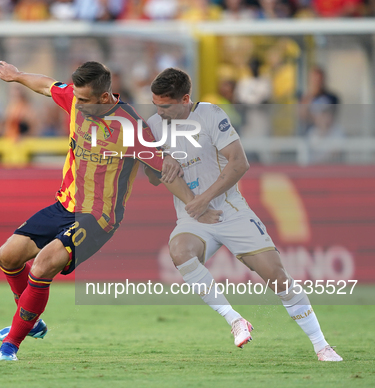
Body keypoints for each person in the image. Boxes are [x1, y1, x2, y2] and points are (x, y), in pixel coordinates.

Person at [0, 60, 221, 361]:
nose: (78, 103)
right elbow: (47, 85)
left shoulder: (131, 127)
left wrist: (196, 204)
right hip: (65, 205)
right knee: (7, 256)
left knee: (43, 265)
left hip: (99, 217)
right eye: (77, 97)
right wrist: (18, 76)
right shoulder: (76, 99)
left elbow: (166, 171)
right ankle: (31, 320)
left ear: (104, 97)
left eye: (84, 100)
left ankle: (10, 346)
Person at [145, 68, 342, 362]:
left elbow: (239, 163)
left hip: (230, 211)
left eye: (166, 105)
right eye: (155, 104)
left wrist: (205, 200)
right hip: (193, 216)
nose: (159, 112)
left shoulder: (211, 115)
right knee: (180, 251)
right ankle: (235, 320)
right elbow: (151, 174)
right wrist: (166, 165)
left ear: (186, 99)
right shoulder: (154, 125)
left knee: (277, 277)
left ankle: (321, 344)